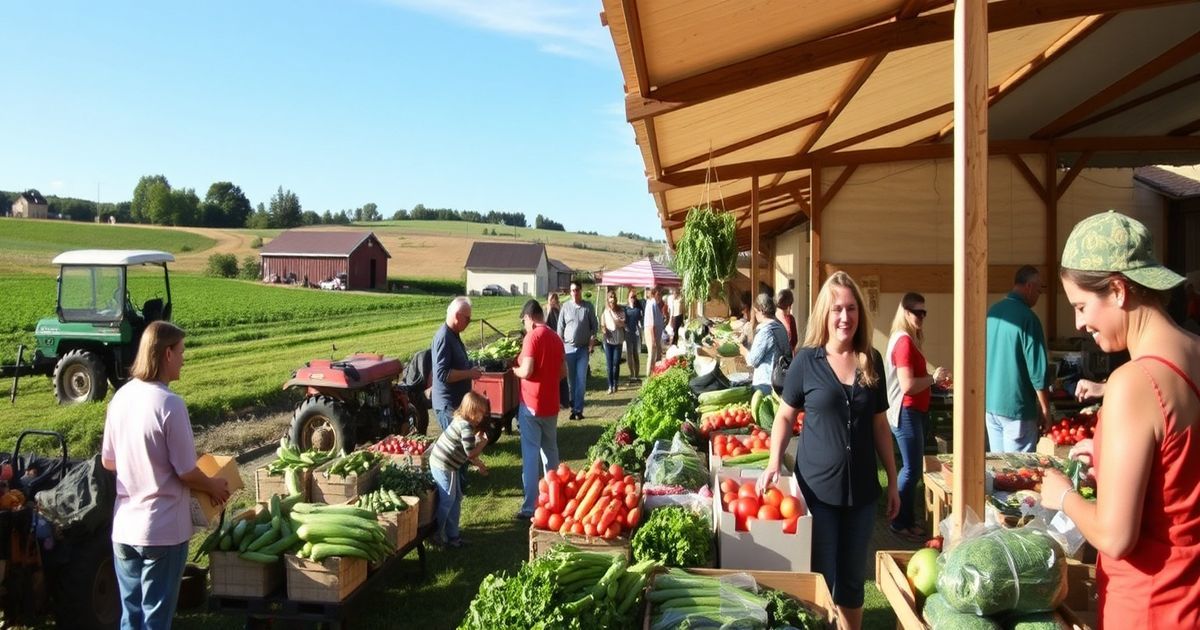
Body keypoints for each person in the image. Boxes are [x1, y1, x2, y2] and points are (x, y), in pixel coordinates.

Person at [1039, 210, 1200, 627]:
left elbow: (1115, 537)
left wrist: (1063, 498)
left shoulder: (1134, 381)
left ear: (1117, 289)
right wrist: (1111, 461)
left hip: (1150, 605)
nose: (1079, 322)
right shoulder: (1194, 350)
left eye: (1081, 305)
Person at [758, 271, 899, 630]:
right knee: (821, 577)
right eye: (837, 308)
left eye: (851, 309)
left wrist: (894, 482)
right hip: (817, 492)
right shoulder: (806, 361)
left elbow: (880, 426)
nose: (845, 317)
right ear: (825, 312)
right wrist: (775, 461)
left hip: (863, 494)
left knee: (852, 582)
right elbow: (785, 417)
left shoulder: (872, 359)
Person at [101, 321, 231, 629]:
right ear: (167, 354)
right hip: (161, 529)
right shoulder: (170, 403)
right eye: (182, 351)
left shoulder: (120, 398)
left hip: (124, 528)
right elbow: (186, 471)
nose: (185, 358)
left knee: (130, 618)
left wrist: (141, 463)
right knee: (156, 619)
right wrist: (213, 485)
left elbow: (109, 461)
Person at [883, 292, 950, 541]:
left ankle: (906, 520)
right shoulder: (903, 342)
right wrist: (934, 378)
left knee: (912, 469)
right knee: (911, 470)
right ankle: (899, 522)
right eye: (916, 312)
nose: (921, 316)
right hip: (907, 411)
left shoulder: (907, 339)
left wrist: (933, 381)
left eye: (924, 312)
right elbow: (908, 384)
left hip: (913, 410)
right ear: (905, 312)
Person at [985, 265, 1051, 452]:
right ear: (1029, 286)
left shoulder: (993, 312)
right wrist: (1045, 409)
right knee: (1018, 472)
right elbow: (1038, 371)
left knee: (998, 469)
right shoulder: (1029, 318)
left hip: (991, 405)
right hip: (1017, 407)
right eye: (1038, 290)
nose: (1038, 296)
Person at [512, 300, 565, 520]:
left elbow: (527, 369)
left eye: (524, 321)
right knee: (550, 452)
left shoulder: (532, 337)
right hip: (551, 405)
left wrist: (515, 371)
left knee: (531, 453)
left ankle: (530, 506)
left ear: (528, 317)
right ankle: (555, 500)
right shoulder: (555, 337)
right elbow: (563, 372)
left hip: (532, 405)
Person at [429, 392, 490, 547]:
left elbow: (466, 450)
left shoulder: (462, 421)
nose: (483, 416)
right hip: (442, 465)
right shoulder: (465, 427)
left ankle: (453, 536)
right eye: (481, 413)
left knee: (456, 499)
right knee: (448, 499)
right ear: (472, 412)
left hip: (450, 465)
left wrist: (480, 464)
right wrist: (482, 443)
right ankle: (436, 533)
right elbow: (470, 454)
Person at [431, 297, 482, 431]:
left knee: (461, 446)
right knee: (456, 446)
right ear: (457, 316)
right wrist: (469, 373)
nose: (469, 322)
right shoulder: (444, 338)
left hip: (456, 404)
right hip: (448, 406)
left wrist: (470, 367)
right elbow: (442, 374)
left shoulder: (454, 334)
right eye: (468, 319)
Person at [556, 281, 598, 420]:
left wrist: (592, 339)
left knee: (581, 380)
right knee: (571, 381)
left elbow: (594, 327)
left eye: (577, 290)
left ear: (581, 291)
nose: (575, 293)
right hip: (568, 349)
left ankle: (578, 409)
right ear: (570, 292)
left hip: (582, 349)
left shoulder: (587, 307)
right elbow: (560, 329)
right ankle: (573, 406)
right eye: (573, 290)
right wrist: (560, 347)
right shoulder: (565, 307)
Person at [740, 292, 791, 395]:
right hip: (782, 382)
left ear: (761, 311)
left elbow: (753, 360)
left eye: (755, 311)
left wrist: (744, 351)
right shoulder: (781, 328)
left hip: (766, 384)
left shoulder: (765, 332)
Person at [545, 292, 569, 409]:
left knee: (560, 372)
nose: (553, 301)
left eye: (555, 299)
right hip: (550, 345)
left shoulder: (559, 310)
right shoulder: (547, 311)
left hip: (558, 344)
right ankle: (558, 400)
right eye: (551, 299)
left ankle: (563, 400)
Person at [601, 290, 626, 394]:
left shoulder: (621, 311)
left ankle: (616, 383)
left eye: (613, 299)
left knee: (616, 363)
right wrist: (604, 331)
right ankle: (610, 385)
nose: (612, 302)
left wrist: (612, 315)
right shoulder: (605, 312)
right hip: (608, 341)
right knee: (609, 364)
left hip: (618, 341)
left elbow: (621, 324)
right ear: (607, 300)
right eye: (610, 299)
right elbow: (602, 325)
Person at [643, 287, 665, 377]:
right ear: (654, 294)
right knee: (652, 355)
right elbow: (651, 325)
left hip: (657, 333)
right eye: (658, 294)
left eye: (660, 294)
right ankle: (649, 377)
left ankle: (654, 375)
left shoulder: (655, 304)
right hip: (651, 332)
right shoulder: (651, 304)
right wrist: (653, 340)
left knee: (657, 355)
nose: (660, 296)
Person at [623, 289, 643, 385]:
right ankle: (631, 374)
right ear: (628, 298)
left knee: (636, 354)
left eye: (634, 297)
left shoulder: (638, 309)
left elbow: (640, 321)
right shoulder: (625, 309)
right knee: (629, 354)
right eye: (631, 297)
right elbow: (623, 321)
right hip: (628, 333)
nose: (633, 299)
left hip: (636, 334)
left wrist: (640, 329)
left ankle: (637, 375)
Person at [776, 288, 798, 354]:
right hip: (787, 357)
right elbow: (794, 343)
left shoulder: (772, 318)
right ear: (788, 306)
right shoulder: (790, 319)